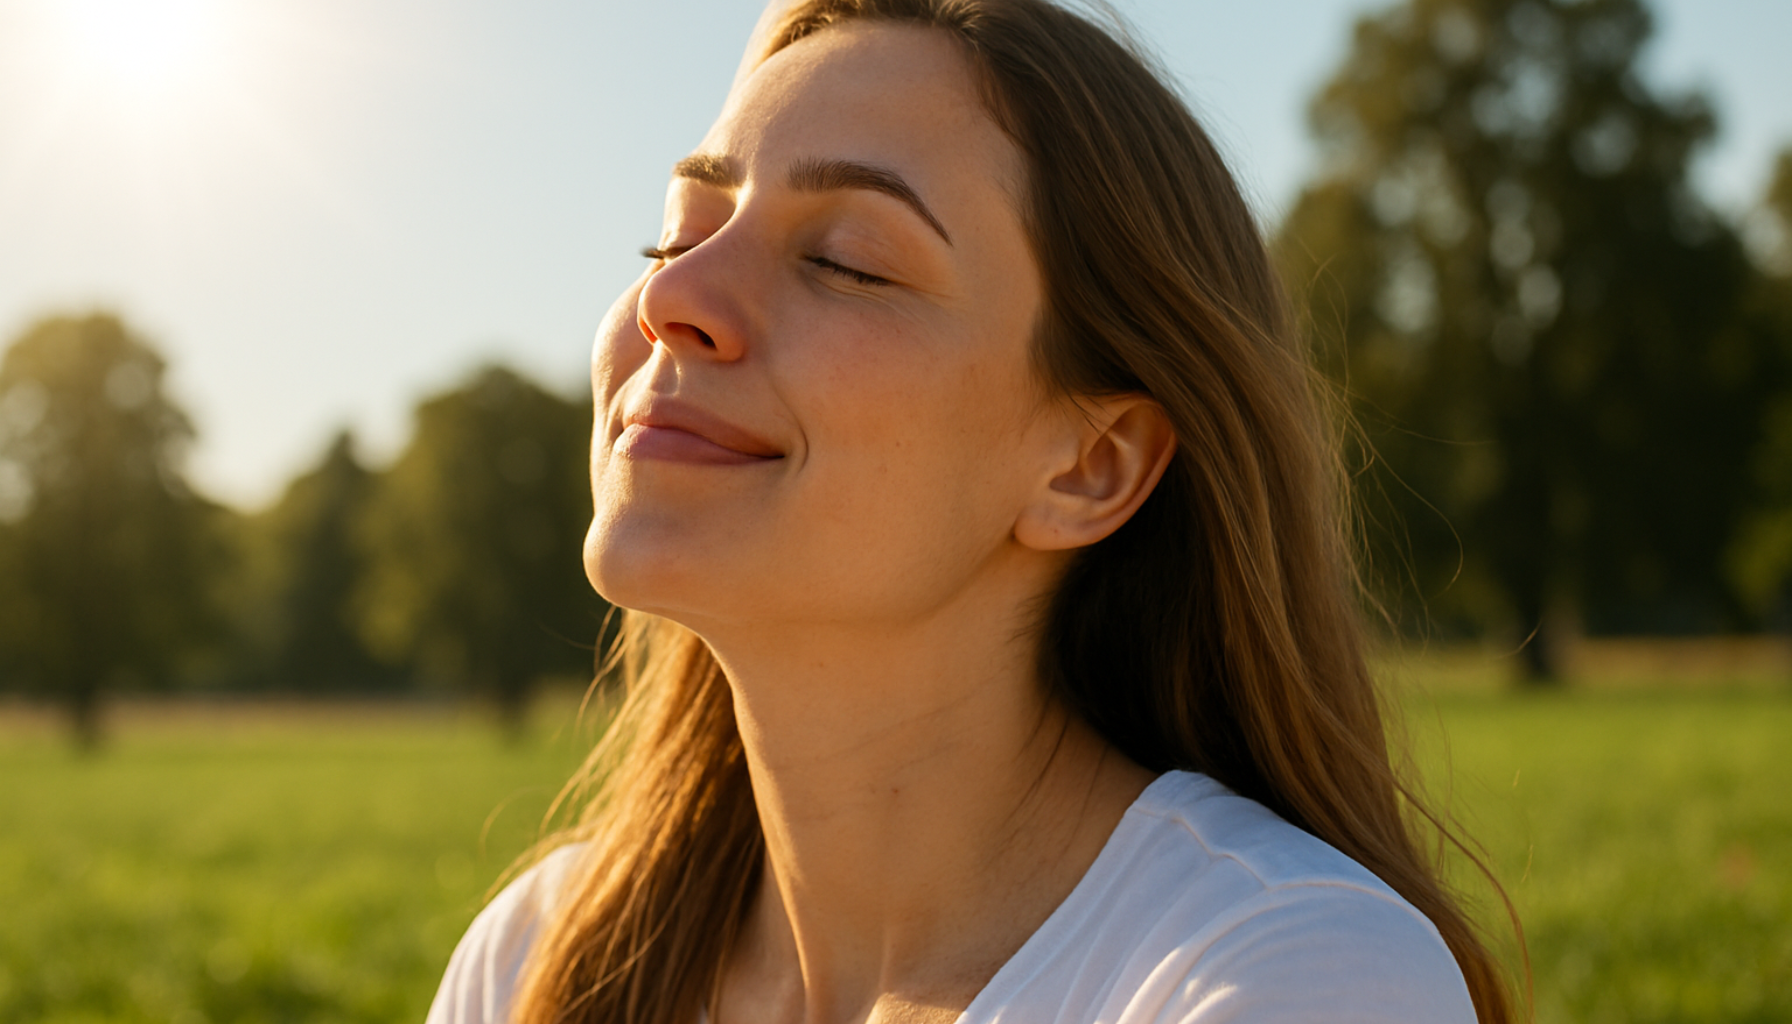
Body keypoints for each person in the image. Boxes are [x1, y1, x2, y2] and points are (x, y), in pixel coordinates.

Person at [427, 1, 1518, 1022]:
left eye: (843, 261)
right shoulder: (532, 961)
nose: (672, 298)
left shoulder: (1282, 974)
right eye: (673, 235)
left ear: (1087, 465)